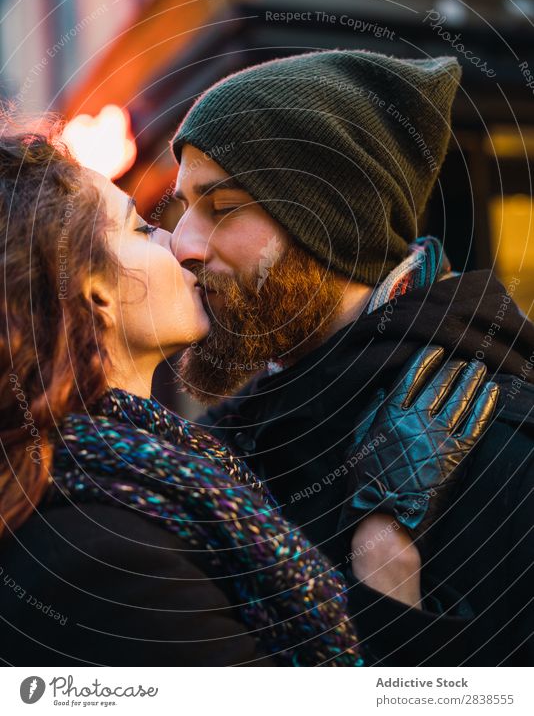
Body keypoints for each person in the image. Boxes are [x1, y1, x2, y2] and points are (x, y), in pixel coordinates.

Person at [0, 116, 496, 667]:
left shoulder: (155, 471)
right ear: (92, 291)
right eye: (141, 229)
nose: (180, 243)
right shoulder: (101, 554)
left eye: (222, 207)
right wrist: (386, 569)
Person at [170, 48, 534, 665]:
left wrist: (386, 586)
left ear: (333, 221)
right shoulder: (229, 443)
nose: (182, 245)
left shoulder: (503, 436)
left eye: (224, 207)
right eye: (183, 208)